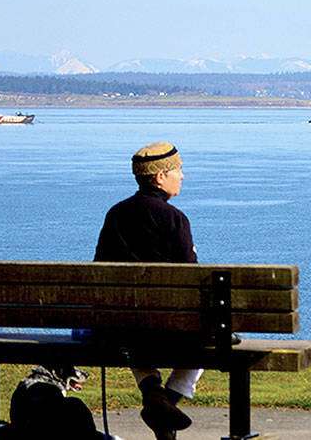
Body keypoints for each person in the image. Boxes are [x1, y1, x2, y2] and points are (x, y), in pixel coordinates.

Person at [94, 142, 200, 440]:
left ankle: (153, 393)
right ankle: (164, 408)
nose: (183, 175)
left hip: (119, 328)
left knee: (132, 331)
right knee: (212, 340)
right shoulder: (174, 218)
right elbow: (190, 280)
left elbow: (99, 269)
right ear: (159, 177)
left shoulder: (115, 214)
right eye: (178, 170)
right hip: (166, 331)